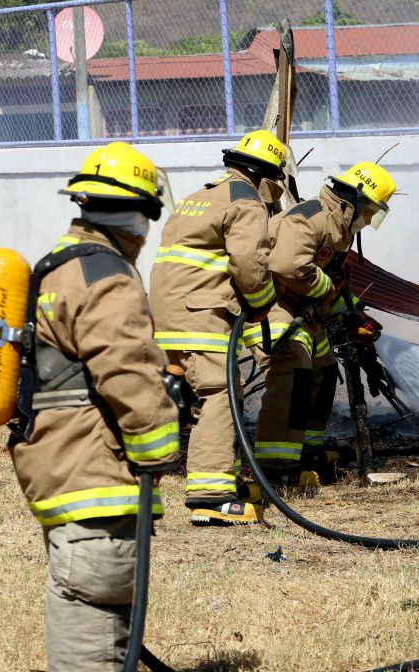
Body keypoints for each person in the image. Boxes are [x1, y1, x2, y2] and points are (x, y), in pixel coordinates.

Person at [8, 141, 180, 671]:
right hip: (96, 474)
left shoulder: (55, 266)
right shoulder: (105, 275)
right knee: (96, 631)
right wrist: (162, 447)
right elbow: (128, 371)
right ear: (140, 216)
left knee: (83, 605)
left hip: (60, 467)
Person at [150, 129, 286, 525]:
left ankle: (222, 478)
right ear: (265, 176)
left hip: (171, 309)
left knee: (205, 391)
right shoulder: (247, 202)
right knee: (219, 392)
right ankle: (210, 497)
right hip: (201, 311)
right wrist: (263, 304)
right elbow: (249, 263)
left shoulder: (202, 196)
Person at [251, 161, 395, 486]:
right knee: (293, 371)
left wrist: (353, 316)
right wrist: (326, 288)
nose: (369, 219)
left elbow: (335, 283)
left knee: (326, 372)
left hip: (305, 313)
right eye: (369, 211)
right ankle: (276, 466)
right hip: (274, 305)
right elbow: (288, 266)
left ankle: (307, 452)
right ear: (353, 201)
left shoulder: (338, 229)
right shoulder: (310, 218)